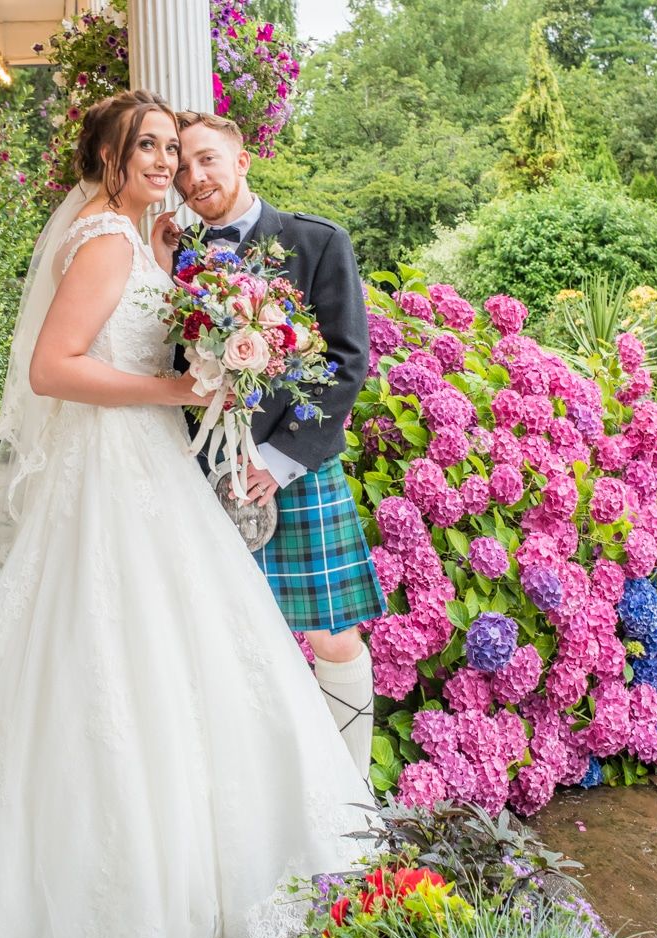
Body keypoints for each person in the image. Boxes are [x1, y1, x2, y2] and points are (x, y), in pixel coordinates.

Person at [0, 91, 373, 938]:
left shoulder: (151, 240)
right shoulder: (107, 241)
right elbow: (52, 368)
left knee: (172, 648)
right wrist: (177, 391)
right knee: (110, 645)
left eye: (174, 149)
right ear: (108, 155)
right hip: (112, 471)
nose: (168, 165)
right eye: (148, 148)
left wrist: (214, 377)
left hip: (152, 468)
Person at [173, 111, 386, 781]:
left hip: (293, 466)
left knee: (331, 633)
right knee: (220, 642)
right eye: (180, 167)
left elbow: (347, 362)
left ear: (242, 160)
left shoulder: (316, 242)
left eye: (206, 159)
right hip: (197, 475)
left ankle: (350, 792)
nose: (193, 176)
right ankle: (261, 794)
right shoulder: (169, 255)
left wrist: (277, 460)